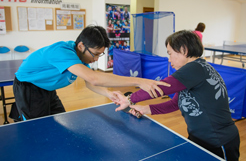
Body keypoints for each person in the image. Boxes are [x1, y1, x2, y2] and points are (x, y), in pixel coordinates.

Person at [114, 30, 240, 161]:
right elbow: (175, 104)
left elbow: (160, 87)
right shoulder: (193, 71)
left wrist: (129, 99)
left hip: (219, 141)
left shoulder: (195, 68)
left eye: (170, 53)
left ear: (184, 50)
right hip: (199, 139)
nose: (169, 59)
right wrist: (146, 109)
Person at [12, 25, 170, 121]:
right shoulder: (62, 52)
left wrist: (108, 93)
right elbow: (93, 78)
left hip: (48, 89)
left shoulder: (80, 55)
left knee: (58, 120)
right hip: (30, 88)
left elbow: (88, 82)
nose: (96, 59)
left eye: (100, 54)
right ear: (81, 46)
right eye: (95, 54)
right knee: (38, 129)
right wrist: (138, 81)